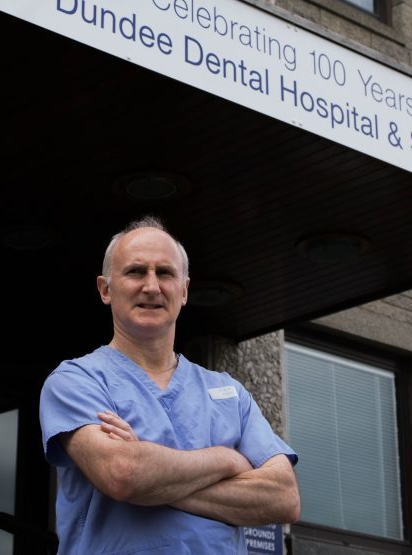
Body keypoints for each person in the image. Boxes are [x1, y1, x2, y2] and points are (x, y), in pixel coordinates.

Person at [39, 216, 300, 554]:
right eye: (135, 272)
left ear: (185, 290)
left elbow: (283, 498)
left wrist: (153, 479)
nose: (151, 286)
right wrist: (226, 460)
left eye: (164, 273)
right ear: (106, 289)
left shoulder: (230, 393)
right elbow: (123, 474)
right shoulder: (76, 381)